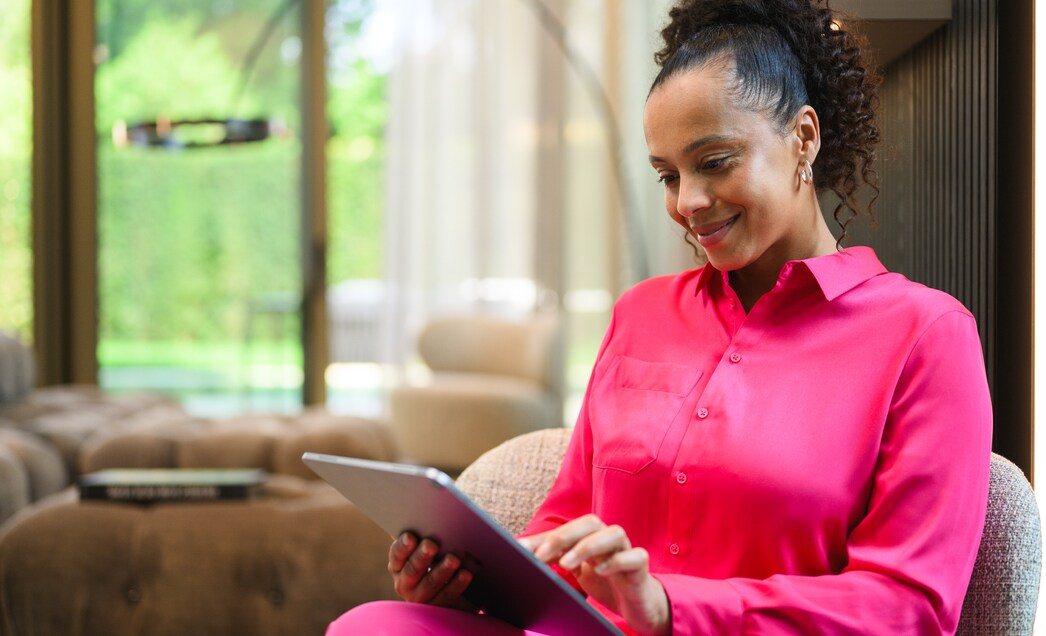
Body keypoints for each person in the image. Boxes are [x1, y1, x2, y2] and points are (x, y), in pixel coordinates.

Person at [327, 0, 993, 633]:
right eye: (667, 176)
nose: (689, 202)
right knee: (376, 625)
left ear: (804, 138)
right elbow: (562, 529)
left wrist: (669, 607)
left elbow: (910, 607)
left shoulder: (926, 335)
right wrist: (470, 583)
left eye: (714, 162)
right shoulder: (641, 314)